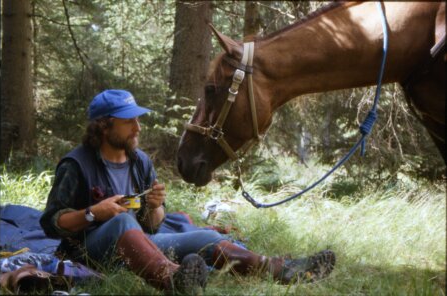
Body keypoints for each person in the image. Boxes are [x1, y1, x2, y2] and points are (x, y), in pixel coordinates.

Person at [40, 89, 336, 294]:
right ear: (105, 126)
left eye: (138, 119)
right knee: (120, 221)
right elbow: (51, 223)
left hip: (142, 244)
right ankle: (172, 279)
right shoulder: (76, 164)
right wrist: (94, 212)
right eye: (129, 120)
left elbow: (153, 226)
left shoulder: (139, 161)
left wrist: (156, 207)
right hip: (90, 251)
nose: (138, 127)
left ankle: (280, 269)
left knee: (206, 237)